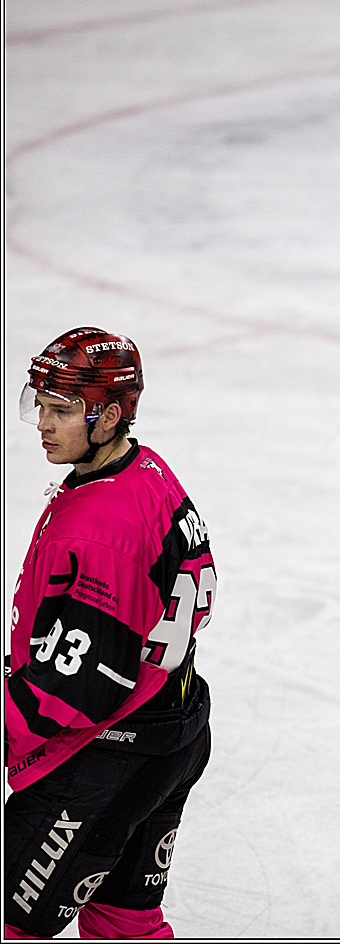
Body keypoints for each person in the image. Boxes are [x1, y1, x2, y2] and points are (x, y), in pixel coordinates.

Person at [4, 327, 216, 940]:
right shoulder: (146, 472)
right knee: (126, 923)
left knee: (15, 924)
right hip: (170, 732)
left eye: (63, 410)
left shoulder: (98, 527)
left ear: (113, 414)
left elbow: (77, 689)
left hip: (101, 760)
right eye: (39, 404)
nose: (43, 423)